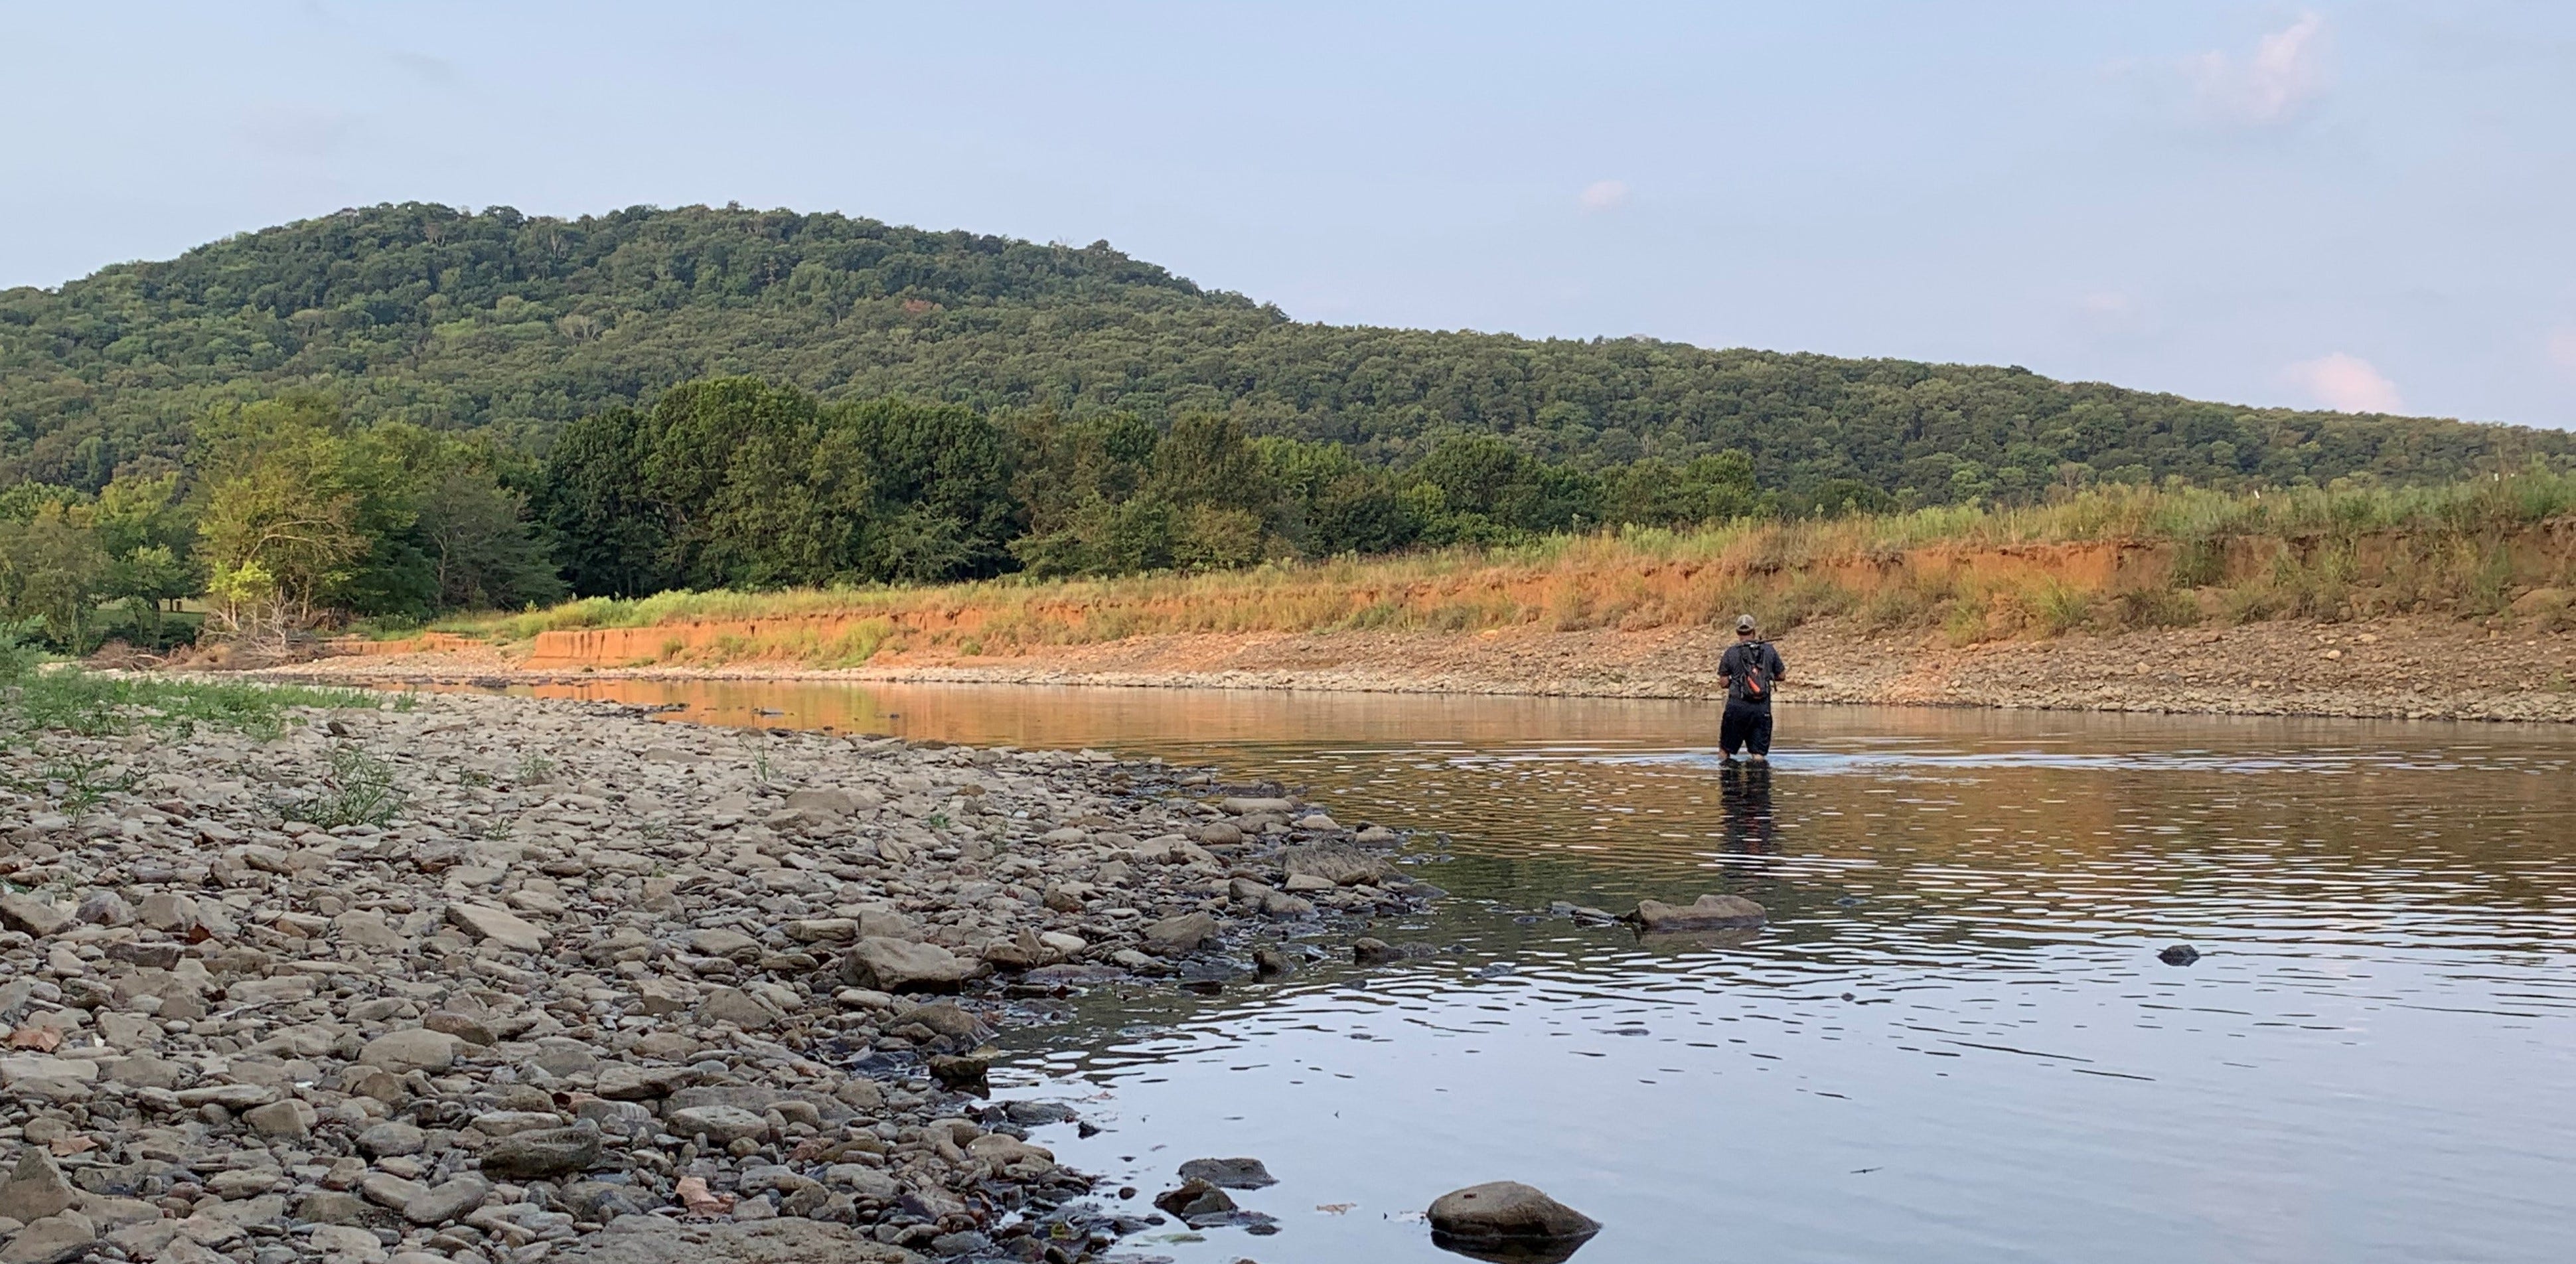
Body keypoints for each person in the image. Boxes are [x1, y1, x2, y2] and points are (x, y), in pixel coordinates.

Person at [1716, 613, 1785, 761]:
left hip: (1737, 708)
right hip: (1762, 709)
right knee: (1758, 755)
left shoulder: (1731, 653)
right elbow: (1782, 676)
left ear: (1737, 633)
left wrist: (1735, 682)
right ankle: (1759, 782)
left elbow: (1723, 683)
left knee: (1725, 751)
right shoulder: (1769, 650)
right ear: (1754, 632)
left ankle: (1727, 780)